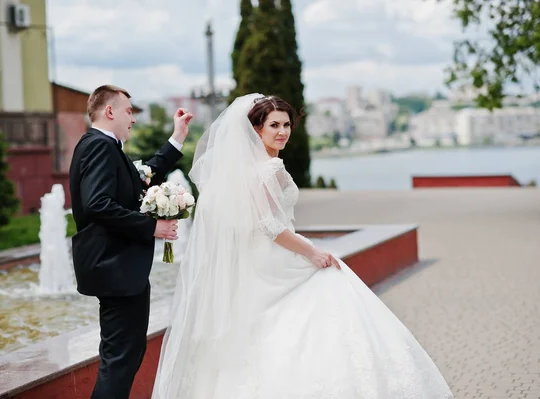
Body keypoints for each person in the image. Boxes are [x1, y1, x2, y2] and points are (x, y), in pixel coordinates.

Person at [151, 94, 454, 398]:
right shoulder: (268, 169)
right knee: (331, 288)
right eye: (274, 125)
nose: (282, 131)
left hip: (259, 259)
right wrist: (312, 251)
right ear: (257, 129)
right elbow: (269, 226)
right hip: (275, 258)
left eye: (286, 124)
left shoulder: (249, 169)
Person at [68, 85, 192, 399]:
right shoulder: (100, 146)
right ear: (109, 111)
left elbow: (143, 177)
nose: (133, 119)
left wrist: (177, 137)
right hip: (115, 270)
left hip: (120, 271)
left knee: (126, 356)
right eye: (128, 111)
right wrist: (153, 227)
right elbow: (98, 203)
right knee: (120, 360)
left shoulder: (105, 146)